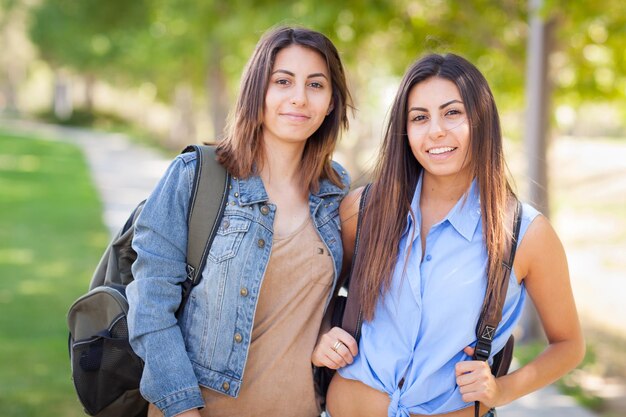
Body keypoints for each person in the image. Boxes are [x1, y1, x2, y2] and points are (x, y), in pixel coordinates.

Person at [312, 53, 585, 417]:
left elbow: (569, 345)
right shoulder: (363, 210)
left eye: (452, 113)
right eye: (419, 117)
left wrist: (501, 389)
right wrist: (323, 334)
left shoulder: (524, 234)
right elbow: (316, 298)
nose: (436, 130)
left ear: (481, 120)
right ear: (405, 131)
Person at [127, 25, 353, 417]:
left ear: (332, 102)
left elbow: (333, 297)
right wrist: (182, 410)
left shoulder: (336, 193)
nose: (299, 98)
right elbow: (150, 306)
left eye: (316, 85)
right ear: (258, 91)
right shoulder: (195, 175)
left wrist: (323, 334)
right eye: (283, 81)